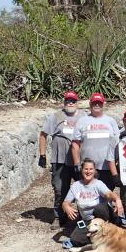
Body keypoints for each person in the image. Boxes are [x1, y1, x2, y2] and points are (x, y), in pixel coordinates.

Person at [38, 90, 84, 226]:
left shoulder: (84, 116)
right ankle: (59, 216)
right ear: (64, 102)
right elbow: (43, 134)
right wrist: (42, 155)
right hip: (60, 159)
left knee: (83, 187)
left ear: (77, 103)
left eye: (73, 101)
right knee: (59, 189)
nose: (70, 103)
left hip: (79, 160)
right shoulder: (56, 116)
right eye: (68, 100)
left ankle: (84, 215)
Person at [62, 159, 125, 247]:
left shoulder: (98, 184)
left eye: (91, 169)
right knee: (75, 239)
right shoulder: (76, 185)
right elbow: (65, 202)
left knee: (99, 208)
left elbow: (109, 194)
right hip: (88, 220)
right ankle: (100, 237)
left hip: (103, 216)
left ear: (95, 170)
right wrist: (66, 207)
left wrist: (117, 200)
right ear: (82, 170)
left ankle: (112, 225)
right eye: (86, 169)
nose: (88, 171)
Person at [72, 92, 120, 189]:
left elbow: (118, 143)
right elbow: (75, 144)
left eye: (99, 103)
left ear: (103, 104)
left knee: (107, 195)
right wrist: (77, 164)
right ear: (90, 104)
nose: (97, 105)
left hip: (107, 167)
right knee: (88, 194)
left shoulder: (111, 121)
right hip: (88, 168)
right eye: (94, 103)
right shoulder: (82, 121)